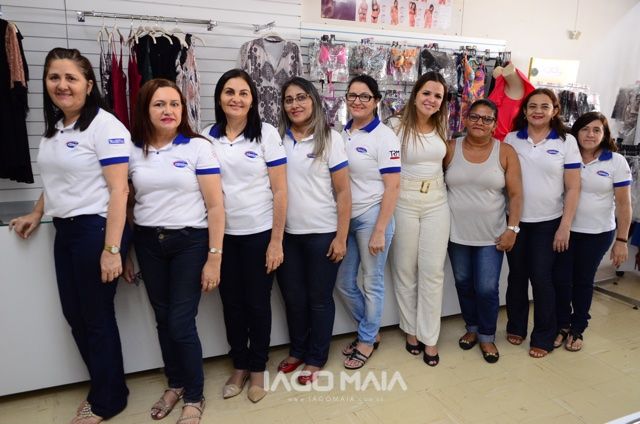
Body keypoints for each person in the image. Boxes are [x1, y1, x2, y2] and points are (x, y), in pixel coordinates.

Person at [9, 48, 132, 424]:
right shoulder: (57, 128)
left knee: (95, 316)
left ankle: (109, 400)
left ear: (89, 85)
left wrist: (112, 249)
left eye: (71, 78)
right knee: (75, 315)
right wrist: (37, 211)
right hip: (66, 231)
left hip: (97, 229)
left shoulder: (105, 127)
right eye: (54, 77)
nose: (62, 85)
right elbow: (58, 181)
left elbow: (119, 191)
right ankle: (105, 385)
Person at [124, 79, 224, 423]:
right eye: (159, 104)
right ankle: (175, 383)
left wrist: (214, 257)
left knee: (181, 322)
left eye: (174, 104)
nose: (168, 111)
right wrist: (125, 251)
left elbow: (216, 206)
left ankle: (194, 395)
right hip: (148, 242)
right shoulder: (132, 150)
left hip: (189, 242)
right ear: (145, 109)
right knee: (163, 319)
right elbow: (127, 203)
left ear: (183, 109)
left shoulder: (198, 148)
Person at [201, 69, 287, 403]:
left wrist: (276, 241)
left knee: (257, 304)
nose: (236, 99)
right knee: (232, 304)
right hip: (223, 237)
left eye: (243, 93)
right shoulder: (207, 137)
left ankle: (257, 368)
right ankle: (239, 364)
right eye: (229, 92)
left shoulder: (266, 134)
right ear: (219, 97)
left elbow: (280, 191)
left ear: (252, 100)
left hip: (259, 234)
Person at [275, 77, 351, 384]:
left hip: (322, 232)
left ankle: (316, 358)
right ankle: (297, 350)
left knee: (319, 298)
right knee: (293, 298)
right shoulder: (276, 139)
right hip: (286, 235)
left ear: (314, 101)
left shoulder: (330, 139)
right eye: (289, 99)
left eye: (301, 97)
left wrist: (341, 237)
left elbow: (343, 192)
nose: (295, 104)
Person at [444, 99, 523, 363]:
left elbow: (516, 194)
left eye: (487, 118)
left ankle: (487, 336)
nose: (480, 122)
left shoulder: (505, 152)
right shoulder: (450, 148)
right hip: (456, 234)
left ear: (494, 124)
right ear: (466, 119)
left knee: (487, 288)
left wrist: (513, 228)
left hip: (492, 235)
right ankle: (472, 328)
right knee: (463, 283)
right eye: (475, 117)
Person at [504, 88, 581, 358]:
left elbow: (573, 187)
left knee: (541, 278)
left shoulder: (566, 141)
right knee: (516, 277)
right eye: (532, 106)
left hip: (548, 222)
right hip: (515, 220)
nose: (538, 111)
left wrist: (565, 225)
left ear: (554, 110)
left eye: (544, 106)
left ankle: (544, 336)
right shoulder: (512, 139)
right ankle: (516, 326)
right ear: (524, 111)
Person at [336, 74, 400, 370]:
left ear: (376, 101)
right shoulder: (342, 132)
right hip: (346, 219)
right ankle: (370, 331)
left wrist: (379, 230)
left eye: (364, 96)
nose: (357, 101)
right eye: (352, 95)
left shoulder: (384, 136)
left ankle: (366, 340)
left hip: (373, 216)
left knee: (372, 282)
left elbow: (393, 186)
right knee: (343, 282)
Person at [553, 112, 631, 352]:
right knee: (561, 279)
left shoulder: (616, 161)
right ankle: (562, 324)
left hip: (597, 233)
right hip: (564, 230)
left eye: (597, 130)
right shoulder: (566, 154)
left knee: (583, 280)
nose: (590, 134)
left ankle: (578, 328)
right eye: (585, 129)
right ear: (576, 131)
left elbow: (624, 204)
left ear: (604, 134)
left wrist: (622, 240)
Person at [390, 72, 449, 367]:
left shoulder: (442, 125)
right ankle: (411, 330)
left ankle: (430, 336)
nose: (431, 100)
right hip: (404, 201)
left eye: (438, 96)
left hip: (437, 201)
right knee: (405, 269)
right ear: (415, 95)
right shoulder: (395, 126)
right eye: (427, 93)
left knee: (432, 271)